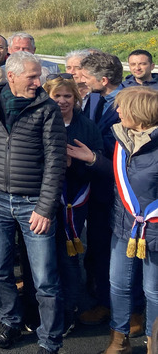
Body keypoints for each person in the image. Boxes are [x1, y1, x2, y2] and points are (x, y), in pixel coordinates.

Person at [0, 51, 67, 353]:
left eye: (39, 75)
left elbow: (56, 161)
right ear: (12, 77)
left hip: (33, 204)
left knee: (45, 280)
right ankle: (12, 323)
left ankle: (49, 340)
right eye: (32, 76)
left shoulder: (47, 108)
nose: (38, 81)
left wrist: (45, 207)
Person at [42, 73, 105, 334]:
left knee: (68, 260)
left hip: (74, 203)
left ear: (76, 98)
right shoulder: (40, 120)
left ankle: (68, 311)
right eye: (57, 96)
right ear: (48, 96)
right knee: (43, 260)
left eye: (68, 96)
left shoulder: (86, 127)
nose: (62, 101)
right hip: (43, 202)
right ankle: (43, 312)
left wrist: (78, 163)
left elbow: (99, 164)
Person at [103, 86, 158, 353]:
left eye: (123, 106)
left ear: (139, 112)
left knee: (153, 292)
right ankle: (119, 339)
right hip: (123, 227)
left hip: (155, 232)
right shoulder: (122, 138)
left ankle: (153, 343)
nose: (118, 110)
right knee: (118, 284)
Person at [79, 51, 126, 329]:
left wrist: (93, 156)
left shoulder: (127, 103)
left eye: (86, 77)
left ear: (104, 80)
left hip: (118, 192)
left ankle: (128, 310)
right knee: (97, 247)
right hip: (95, 188)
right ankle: (101, 298)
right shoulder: (94, 98)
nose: (81, 81)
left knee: (118, 254)